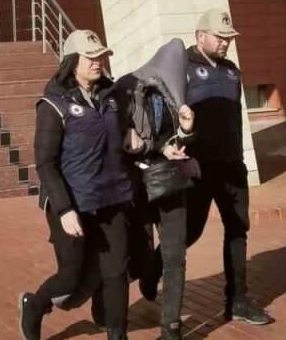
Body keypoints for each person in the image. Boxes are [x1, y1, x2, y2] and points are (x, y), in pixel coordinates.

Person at [20, 30, 136, 340]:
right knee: (71, 277)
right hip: (73, 202)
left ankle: (118, 334)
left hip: (113, 197)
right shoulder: (53, 104)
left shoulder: (112, 96)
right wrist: (65, 210)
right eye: (91, 57)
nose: (98, 62)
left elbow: (123, 129)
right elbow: (46, 163)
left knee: (116, 272)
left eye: (101, 56)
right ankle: (35, 304)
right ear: (72, 62)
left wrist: (131, 134)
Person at [183, 9, 274, 326]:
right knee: (188, 233)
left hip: (231, 166)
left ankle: (237, 300)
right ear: (201, 36)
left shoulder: (232, 71)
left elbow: (234, 120)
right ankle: (151, 269)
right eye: (220, 37)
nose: (225, 43)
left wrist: (239, 159)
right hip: (198, 168)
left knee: (237, 230)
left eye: (229, 38)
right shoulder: (183, 68)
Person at [110, 39, 197, 340]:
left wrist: (186, 132)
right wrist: (149, 143)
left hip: (170, 180)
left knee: (175, 255)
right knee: (138, 255)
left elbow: (184, 140)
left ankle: (171, 327)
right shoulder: (126, 88)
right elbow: (118, 139)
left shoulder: (179, 94)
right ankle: (108, 307)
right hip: (137, 183)